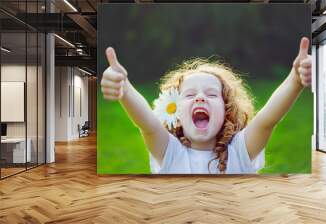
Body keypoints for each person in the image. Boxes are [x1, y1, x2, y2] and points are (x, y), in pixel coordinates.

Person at [101, 37, 312, 174]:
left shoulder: (240, 150)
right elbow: (146, 122)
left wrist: (295, 80)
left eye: (211, 94)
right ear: (175, 110)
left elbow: (268, 119)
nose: (200, 98)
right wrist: (124, 88)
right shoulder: (169, 151)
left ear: (227, 109)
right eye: (190, 94)